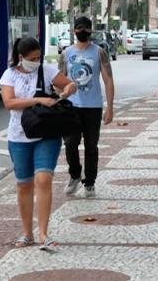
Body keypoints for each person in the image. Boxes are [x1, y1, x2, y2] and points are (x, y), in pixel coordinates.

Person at [0, 37, 77, 250]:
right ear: (21, 57)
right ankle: (27, 233)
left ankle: (43, 233)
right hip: (19, 136)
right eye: (32, 58)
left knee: (43, 179)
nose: (36, 61)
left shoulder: (48, 70)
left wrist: (69, 88)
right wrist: (38, 100)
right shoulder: (10, 74)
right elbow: (9, 102)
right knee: (24, 185)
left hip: (46, 133)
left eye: (38, 57)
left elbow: (70, 83)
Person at [59, 16, 115, 198]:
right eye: (79, 28)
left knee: (91, 146)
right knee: (70, 143)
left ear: (91, 30)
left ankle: (89, 182)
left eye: (86, 28)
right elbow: (59, 80)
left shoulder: (99, 52)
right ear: (74, 30)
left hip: (93, 107)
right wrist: (60, 96)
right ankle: (75, 175)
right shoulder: (66, 53)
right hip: (71, 107)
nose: (82, 31)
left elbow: (108, 80)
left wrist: (110, 108)